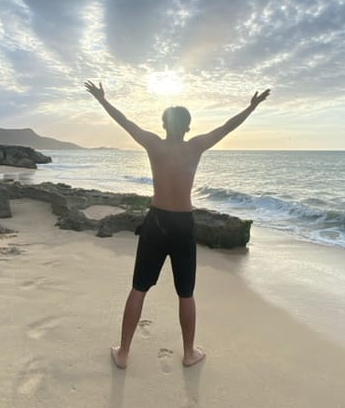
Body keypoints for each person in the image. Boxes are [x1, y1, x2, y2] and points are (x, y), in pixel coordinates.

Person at [84, 80, 270, 369]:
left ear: (163, 125)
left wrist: (102, 100)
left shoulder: (153, 144)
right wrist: (251, 107)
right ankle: (188, 353)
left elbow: (125, 122)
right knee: (186, 292)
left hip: (156, 221)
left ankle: (123, 353)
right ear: (187, 127)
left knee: (138, 288)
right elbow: (227, 127)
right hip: (183, 224)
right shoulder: (195, 146)